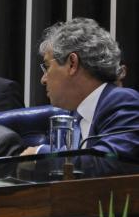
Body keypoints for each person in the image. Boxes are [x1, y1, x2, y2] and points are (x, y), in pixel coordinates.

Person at [21, 18, 139, 158]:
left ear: (72, 63)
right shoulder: (74, 116)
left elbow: (109, 162)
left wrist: (40, 154)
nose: (43, 80)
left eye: (47, 67)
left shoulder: (124, 102)